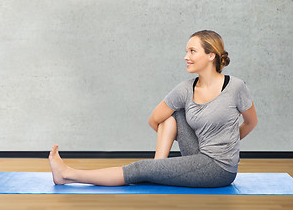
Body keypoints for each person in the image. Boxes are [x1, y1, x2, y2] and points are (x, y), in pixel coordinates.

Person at [48, 30, 258, 187]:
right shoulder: (185, 89)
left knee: (139, 168)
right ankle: (159, 166)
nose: (186, 56)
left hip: (220, 168)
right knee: (173, 114)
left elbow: (251, 122)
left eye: (192, 51)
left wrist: (228, 143)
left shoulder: (236, 87)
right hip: (198, 152)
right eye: (186, 51)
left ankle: (67, 174)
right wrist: (163, 162)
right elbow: (154, 120)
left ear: (211, 55)